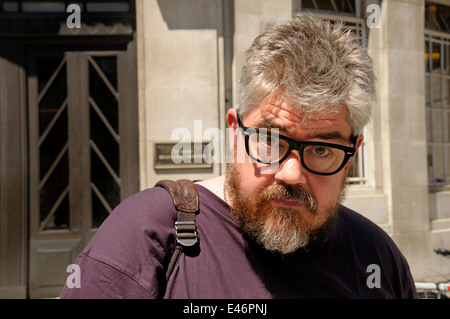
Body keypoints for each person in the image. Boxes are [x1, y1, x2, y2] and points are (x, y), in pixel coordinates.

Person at [60, 13, 417, 299]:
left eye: (322, 149)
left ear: (352, 155)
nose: (291, 174)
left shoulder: (378, 258)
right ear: (234, 131)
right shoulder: (146, 233)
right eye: (270, 140)